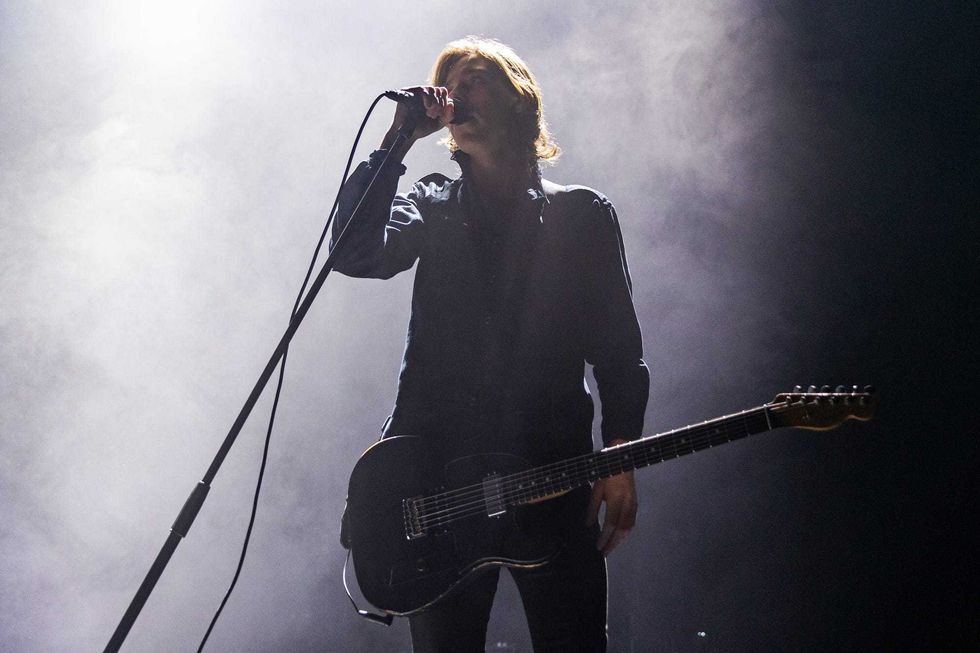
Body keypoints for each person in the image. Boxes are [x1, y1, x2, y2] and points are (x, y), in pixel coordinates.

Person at [332, 36, 649, 653]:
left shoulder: (582, 215)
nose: (455, 92)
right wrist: (396, 143)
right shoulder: (432, 201)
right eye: (449, 82)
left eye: (474, 78)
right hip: (436, 483)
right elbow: (354, 253)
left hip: (552, 477)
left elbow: (619, 355)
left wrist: (620, 458)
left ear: (520, 98)